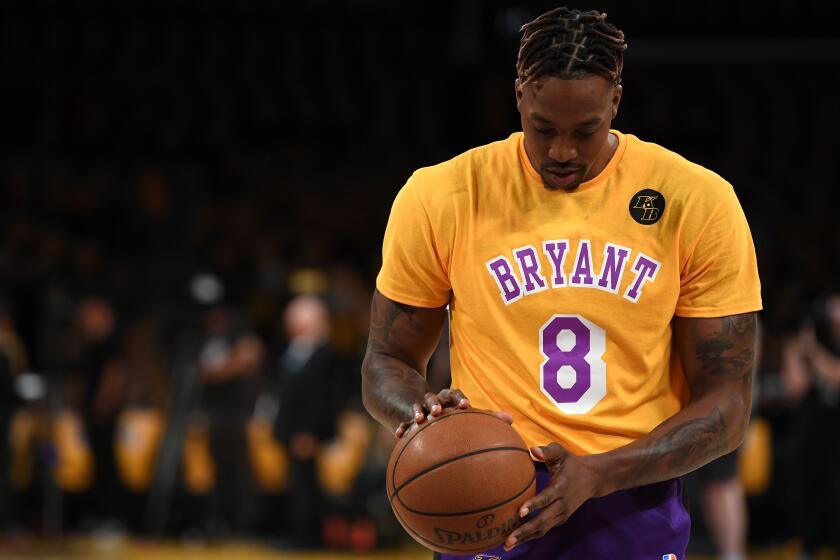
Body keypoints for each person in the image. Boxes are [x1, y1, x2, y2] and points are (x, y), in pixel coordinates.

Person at [361, 6, 762, 560]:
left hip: (630, 492)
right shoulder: (441, 195)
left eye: (586, 130)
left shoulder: (698, 200)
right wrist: (425, 414)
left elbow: (728, 403)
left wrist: (600, 473)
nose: (562, 152)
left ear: (616, 102)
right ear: (519, 96)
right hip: (486, 491)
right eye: (544, 128)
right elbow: (386, 360)